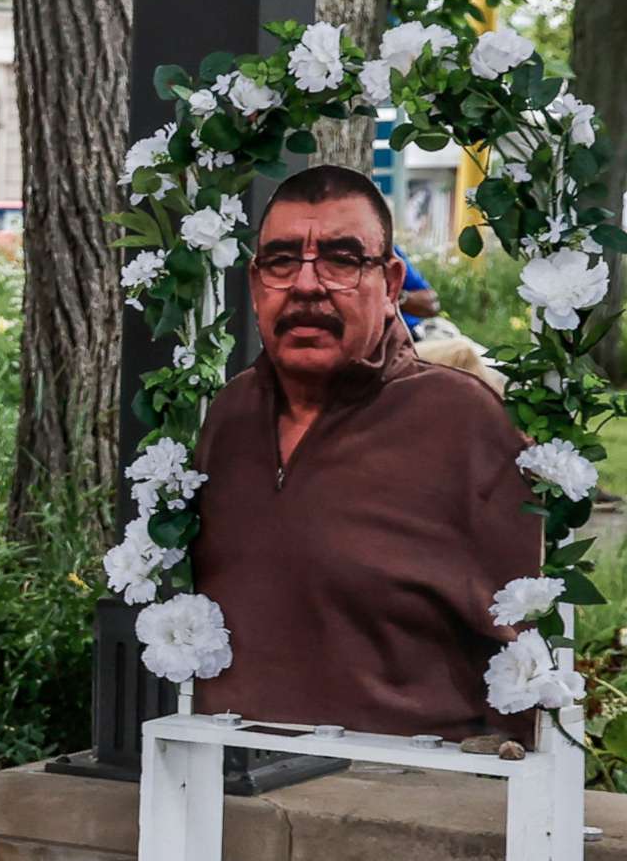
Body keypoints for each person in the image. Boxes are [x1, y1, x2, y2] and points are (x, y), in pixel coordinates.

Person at [189, 164, 539, 738]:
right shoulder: (230, 416)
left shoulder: (460, 422)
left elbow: (527, 649)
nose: (306, 286)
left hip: (396, 798)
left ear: (392, 284)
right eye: (282, 262)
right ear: (255, 285)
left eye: (342, 260)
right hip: (218, 791)